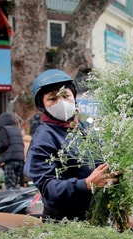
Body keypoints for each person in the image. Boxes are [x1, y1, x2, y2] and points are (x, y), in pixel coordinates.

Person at [24, 69, 119, 221]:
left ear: (73, 96)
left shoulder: (84, 129)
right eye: (52, 99)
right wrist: (86, 184)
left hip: (95, 216)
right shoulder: (43, 138)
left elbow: (103, 163)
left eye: (65, 95)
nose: (61, 102)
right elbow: (48, 188)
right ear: (43, 105)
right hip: (65, 224)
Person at [0, 112, 25, 191]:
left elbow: (4, 144)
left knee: (10, 186)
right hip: (20, 160)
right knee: (15, 184)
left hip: (10, 160)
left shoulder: (4, 129)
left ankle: (11, 202)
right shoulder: (17, 130)